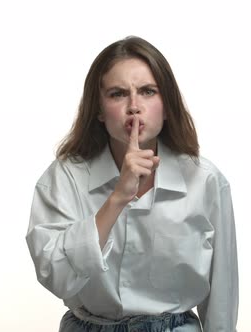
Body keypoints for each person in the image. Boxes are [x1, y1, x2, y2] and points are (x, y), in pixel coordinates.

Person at [26, 36, 238, 332]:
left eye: (148, 92)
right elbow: (56, 275)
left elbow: (222, 296)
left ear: (167, 104)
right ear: (98, 109)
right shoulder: (64, 177)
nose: (134, 106)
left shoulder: (205, 180)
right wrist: (117, 198)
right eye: (117, 94)